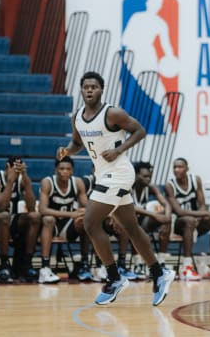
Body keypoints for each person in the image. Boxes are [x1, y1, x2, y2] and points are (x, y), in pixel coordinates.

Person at [57, 71, 175, 306]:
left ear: (102, 90)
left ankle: (114, 278)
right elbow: (78, 143)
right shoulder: (77, 117)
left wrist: (119, 150)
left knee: (90, 222)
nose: (89, 90)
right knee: (131, 227)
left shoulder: (112, 113)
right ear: (81, 90)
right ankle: (159, 273)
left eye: (94, 87)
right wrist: (68, 151)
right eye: (86, 87)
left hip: (119, 173)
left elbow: (139, 130)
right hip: (103, 174)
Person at [165, 157, 210, 280]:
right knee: (189, 220)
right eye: (175, 167)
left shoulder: (195, 180)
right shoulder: (170, 185)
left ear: (187, 168)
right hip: (177, 223)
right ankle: (187, 267)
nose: (177, 169)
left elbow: (202, 204)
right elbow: (179, 211)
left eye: (180, 167)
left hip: (195, 220)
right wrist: (206, 214)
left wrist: (202, 215)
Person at [0, 156, 41, 282]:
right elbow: (0, 207)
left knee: (35, 217)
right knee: (4, 216)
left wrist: (26, 182)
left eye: (19, 169)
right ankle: (4, 264)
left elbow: (32, 207)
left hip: (8, 221)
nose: (17, 172)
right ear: (7, 167)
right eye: (15, 169)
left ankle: (27, 263)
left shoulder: (21, 180)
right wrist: (10, 182)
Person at [37, 156, 93, 283]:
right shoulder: (48, 182)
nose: (65, 171)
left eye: (68, 169)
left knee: (85, 220)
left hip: (67, 227)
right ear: (56, 169)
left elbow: (87, 205)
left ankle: (84, 264)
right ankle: (45, 268)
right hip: (51, 226)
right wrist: (71, 214)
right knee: (48, 219)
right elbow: (42, 209)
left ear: (72, 171)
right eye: (62, 168)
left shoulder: (77, 183)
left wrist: (85, 211)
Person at [130, 161, 173, 275]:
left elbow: (166, 204)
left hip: (144, 222)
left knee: (165, 216)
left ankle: (161, 261)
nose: (148, 179)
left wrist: (167, 218)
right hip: (128, 223)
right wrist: (154, 215)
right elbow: (130, 207)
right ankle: (138, 264)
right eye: (145, 176)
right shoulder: (128, 186)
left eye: (149, 176)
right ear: (136, 175)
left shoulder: (151, 187)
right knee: (134, 224)